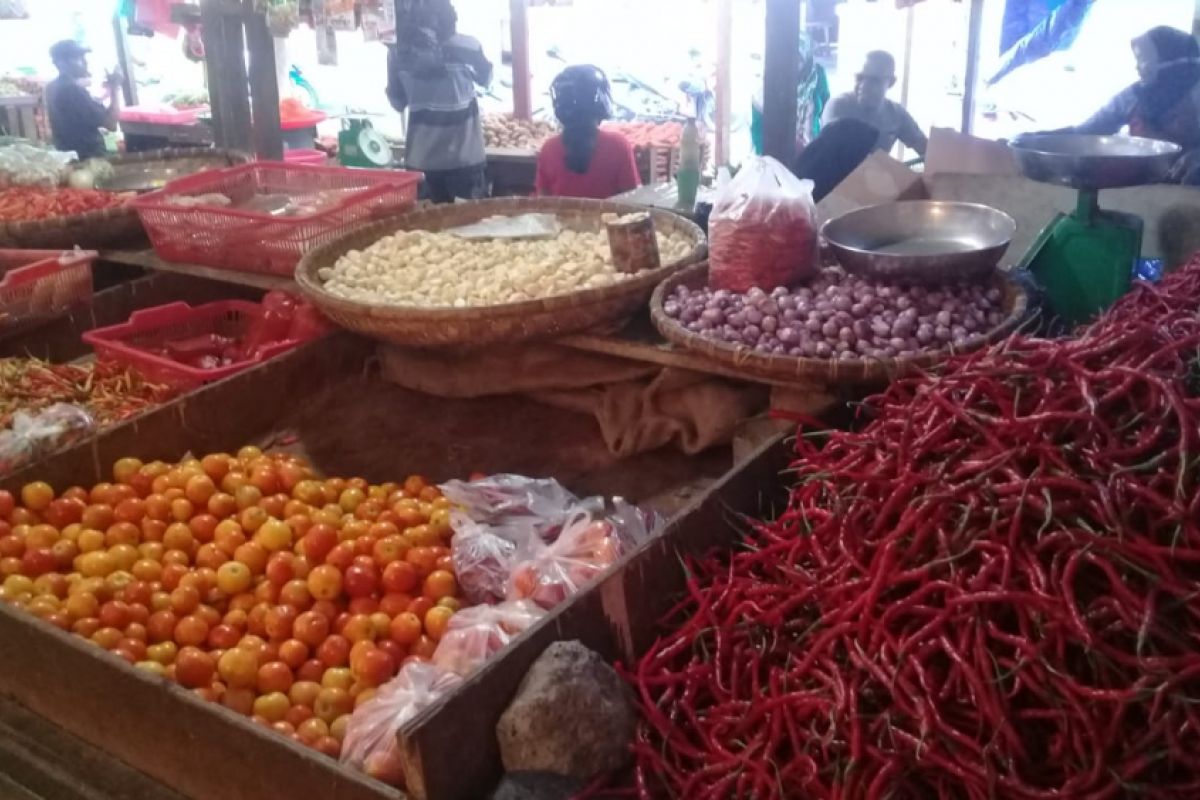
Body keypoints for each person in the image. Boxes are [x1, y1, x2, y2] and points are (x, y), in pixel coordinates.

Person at [386, 0, 492, 203]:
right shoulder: (468, 46)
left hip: (422, 161)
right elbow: (486, 80)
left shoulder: (398, 54)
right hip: (464, 160)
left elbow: (397, 102)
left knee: (428, 229)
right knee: (467, 228)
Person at [1071, 26, 1200, 181]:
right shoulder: (1132, 96)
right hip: (1142, 190)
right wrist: (1037, 139)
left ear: (1165, 61)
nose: (1137, 68)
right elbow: (1090, 129)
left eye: (1143, 60)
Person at [535, 65, 640, 200]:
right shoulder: (618, 145)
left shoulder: (549, 148)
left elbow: (543, 201)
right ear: (602, 103)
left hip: (559, 221)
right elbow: (633, 199)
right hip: (607, 221)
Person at [822, 51, 927, 157]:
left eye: (874, 80)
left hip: (875, 172)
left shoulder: (897, 114)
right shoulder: (838, 107)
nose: (864, 86)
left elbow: (926, 149)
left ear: (891, 82)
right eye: (859, 78)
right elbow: (830, 154)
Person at [751, 36, 830, 155]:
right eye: (788, 57)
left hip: (813, 155)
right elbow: (758, 133)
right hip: (777, 158)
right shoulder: (766, 88)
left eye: (798, 58)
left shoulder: (817, 78)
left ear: (806, 57)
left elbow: (827, 112)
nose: (792, 63)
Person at [44, 40, 120, 159]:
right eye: (78, 58)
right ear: (61, 64)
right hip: (89, 158)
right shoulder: (72, 90)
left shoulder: (52, 87)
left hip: (69, 153)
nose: (85, 62)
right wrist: (115, 87)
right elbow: (111, 124)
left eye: (84, 57)